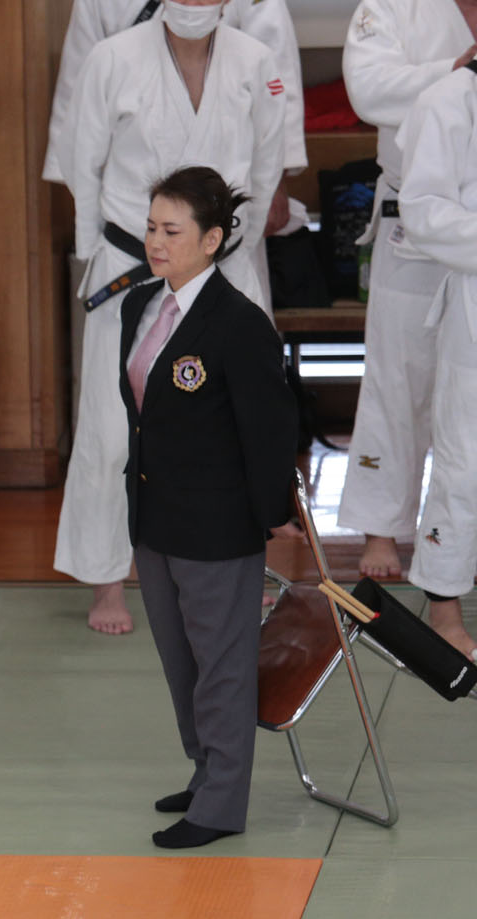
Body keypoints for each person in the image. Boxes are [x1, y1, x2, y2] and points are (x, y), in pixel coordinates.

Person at [55, 0, 286, 635]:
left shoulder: (255, 61)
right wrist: (93, 252)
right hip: (133, 260)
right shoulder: (112, 58)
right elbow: (82, 162)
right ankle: (107, 580)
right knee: (111, 427)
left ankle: (237, 572)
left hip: (222, 262)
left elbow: (266, 166)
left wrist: (233, 249)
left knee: (230, 426)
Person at [124, 168, 298, 848]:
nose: (155, 242)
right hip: (155, 518)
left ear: (212, 240)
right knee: (181, 663)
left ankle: (222, 804)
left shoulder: (239, 325)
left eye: (172, 231)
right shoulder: (139, 307)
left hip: (218, 527)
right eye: (151, 228)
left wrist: (269, 513)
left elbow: (269, 429)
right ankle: (204, 772)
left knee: (222, 668)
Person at [337, 0, 477, 582]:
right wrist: (456, 69)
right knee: (399, 375)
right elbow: (368, 91)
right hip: (412, 213)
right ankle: (381, 526)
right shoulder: (393, 6)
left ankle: (460, 538)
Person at [46, 0, 308, 219]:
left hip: (226, 175)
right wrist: (83, 192)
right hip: (133, 187)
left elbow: (275, 73)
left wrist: (276, 181)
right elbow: (78, 84)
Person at [395, 58, 477, 659]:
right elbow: (422, 208)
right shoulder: (450, 99)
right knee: (464, 463)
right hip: (474, 303)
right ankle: (445, 610)